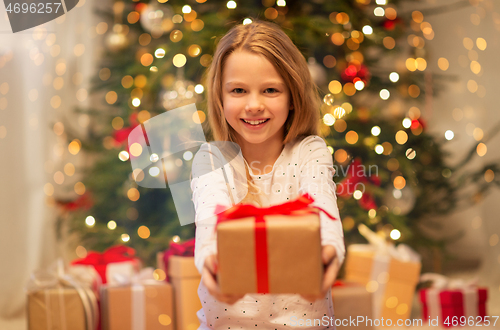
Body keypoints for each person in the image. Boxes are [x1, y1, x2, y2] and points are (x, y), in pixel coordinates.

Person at [191, 18, 345, 330]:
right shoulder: (210, 158)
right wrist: (210, 258)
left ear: (292, 97)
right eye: (238, 90)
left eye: (270, 90)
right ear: (220, 99)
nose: (254, 105)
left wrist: (329, 250)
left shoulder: (309, 151)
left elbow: (322, 202)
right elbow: (209, 216)